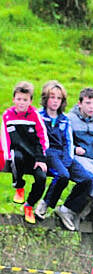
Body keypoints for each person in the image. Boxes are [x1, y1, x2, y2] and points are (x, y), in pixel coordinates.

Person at [36, 80, 93, 231]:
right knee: (62, 175)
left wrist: (68, 160)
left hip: (64, 154)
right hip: (48, 152)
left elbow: (69, 141)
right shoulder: (38, 116)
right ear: (45, 98)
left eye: (59, 98)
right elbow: (37, 139)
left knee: (88, 179)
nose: (55, 101)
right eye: (52, 97)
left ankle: (67, 208)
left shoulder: (64, 119)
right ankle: (45, 203)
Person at [1, 81, 48, 224]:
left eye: (25, 100)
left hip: (35, 156)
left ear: (30, 101)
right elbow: (4, 136)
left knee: (41, 179)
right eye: (19, 99)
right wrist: (6, 155)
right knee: (16, 157)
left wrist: (41, 158)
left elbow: (42, 137)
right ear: (14, 99)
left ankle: (30, 204)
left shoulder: (34, 116)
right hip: (18, 153)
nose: (21, 103)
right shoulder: (8, 115)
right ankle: (19, 187)